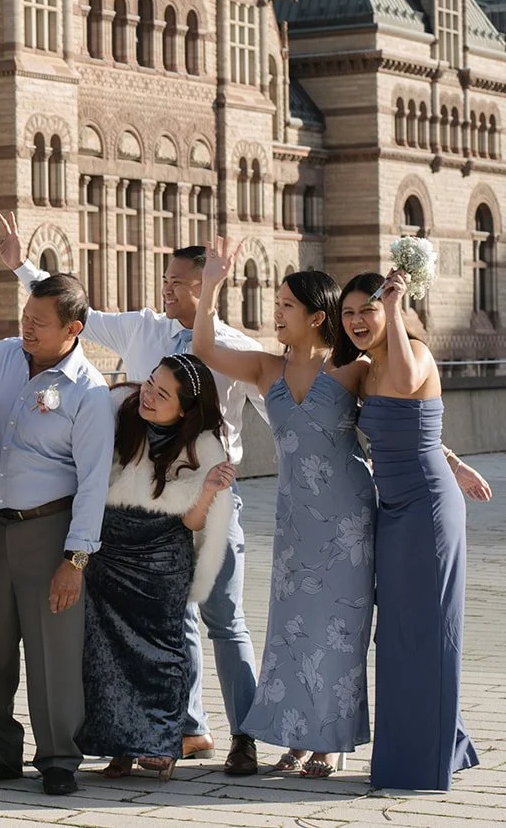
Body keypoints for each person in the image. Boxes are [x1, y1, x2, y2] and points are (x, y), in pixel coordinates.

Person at [0, 213, 264, 774]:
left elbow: (284, 410)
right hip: (143, 507)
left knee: (223, 617)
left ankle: (246, 733)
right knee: (161, 621)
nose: (164, 288)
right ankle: (182, 728)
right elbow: (75, 318)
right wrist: (22, 264)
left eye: (178, 280)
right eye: (164, 279)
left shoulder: (234, 348)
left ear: (207, 282)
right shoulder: (142, 328)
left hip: (208, 496)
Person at [0, 255, 115, 796]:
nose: (27, 327)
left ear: (73, 330)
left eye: (40, 321)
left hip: (49, 532)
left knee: (52, 651)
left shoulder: (88, 390)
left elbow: (93, 483)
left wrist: (75, 561)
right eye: (25, 315)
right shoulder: (8, 355)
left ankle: (58, 757)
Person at [191, 247, 376, 778]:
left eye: (286, 305)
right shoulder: (265, 367)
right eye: (277, 302)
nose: (276, 312)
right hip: (295, 519)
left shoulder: (352, 368)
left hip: (348, 521)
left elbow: (400, 413)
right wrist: (210, 286)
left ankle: (329, 743)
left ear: (318, 316)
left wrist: (450, 463)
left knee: (339, 630)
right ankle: (295, 733)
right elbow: (203, 346)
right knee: (292, 631)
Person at [336, 271, 479, 791]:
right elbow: (413, 424)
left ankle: (423, 759)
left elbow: (406, 386)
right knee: (396, 633)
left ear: (389, 311)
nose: (355, 321)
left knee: (426, 631)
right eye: (347, 313)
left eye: (366, 311)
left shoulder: (412, 352)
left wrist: (396, 312)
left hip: (427, 511)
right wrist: (456, 459)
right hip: (390, 508)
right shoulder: (365, 367)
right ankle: (445, 740)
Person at [76, 356, 236, 782]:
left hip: (161, 557)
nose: (148, 394)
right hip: (110, 551)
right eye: (150, 383)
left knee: (159, 653)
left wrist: (205, 492)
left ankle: (160, 744)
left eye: (162, 394)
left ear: (184, 408)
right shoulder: (120, 411)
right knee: (103, 652)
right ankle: (117, 746)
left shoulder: (202, 446)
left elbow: (195, 523)